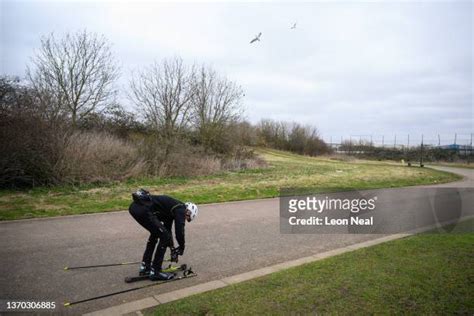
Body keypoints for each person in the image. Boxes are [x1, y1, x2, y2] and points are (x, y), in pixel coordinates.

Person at [129, 189, 198, 281]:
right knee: (164, 236)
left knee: (157, 234)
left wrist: (173, 249)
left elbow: (167, 231)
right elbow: (179, 232)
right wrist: (181, 247)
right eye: (187, 218)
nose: (184, 219)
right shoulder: (181, 209)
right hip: (143, 209)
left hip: (135, 208)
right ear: (188, 211)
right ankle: (156, 272)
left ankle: (145, 266)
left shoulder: (171, 211)